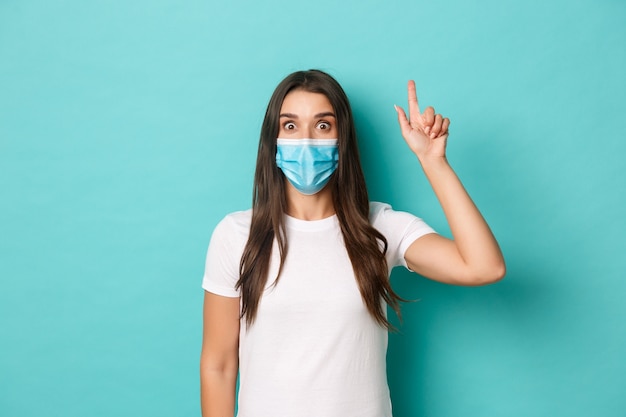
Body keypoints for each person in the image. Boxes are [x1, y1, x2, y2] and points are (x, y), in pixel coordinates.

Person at [200, 69, 505, 417]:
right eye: (290, 126)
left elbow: (484, 267)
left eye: (323, 125)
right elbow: (219, 364)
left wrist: (433, 162)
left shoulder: (382, 229)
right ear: (272, 141)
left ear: (342, 139)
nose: (306, 141)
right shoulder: (237, 235)